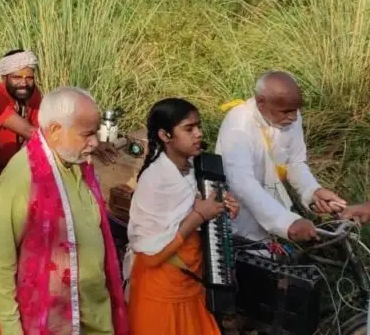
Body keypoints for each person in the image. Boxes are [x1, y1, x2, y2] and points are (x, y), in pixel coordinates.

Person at [0, 87, 128, 335]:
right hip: (51, 322)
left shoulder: (79, 164)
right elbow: (1, 258)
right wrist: (10, 327)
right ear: (54, 131)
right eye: (87, 134)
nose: (94, 142)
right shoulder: (23, 174)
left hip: (94, 315)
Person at [126, 98, 239, 334]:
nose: (198, 134)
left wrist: (222, 207)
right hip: (160, 294)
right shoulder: (156, 180)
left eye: (198, 126)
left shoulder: (192, 169)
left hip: (191, 286)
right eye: (189, 129)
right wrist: (199, 215)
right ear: (165, 135)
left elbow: (191, 205)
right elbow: (151, 255)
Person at [216, 71, 346, 242]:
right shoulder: (238, 127)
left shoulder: (291, 115)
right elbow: (242, 184)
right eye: (286, 112)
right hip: (240, 220)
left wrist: (313, 191)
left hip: (274, 208)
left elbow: (295, 163)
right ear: (260, 102)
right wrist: (286, 222)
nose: (293, 117)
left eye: (296, 110)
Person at [0, 50, 42, 176]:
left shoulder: (33, 92)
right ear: (4, 78)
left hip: (22, 167)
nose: (24, 83)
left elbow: (39, 128)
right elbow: (29, 132)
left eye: (29, 78)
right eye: (17, 77)